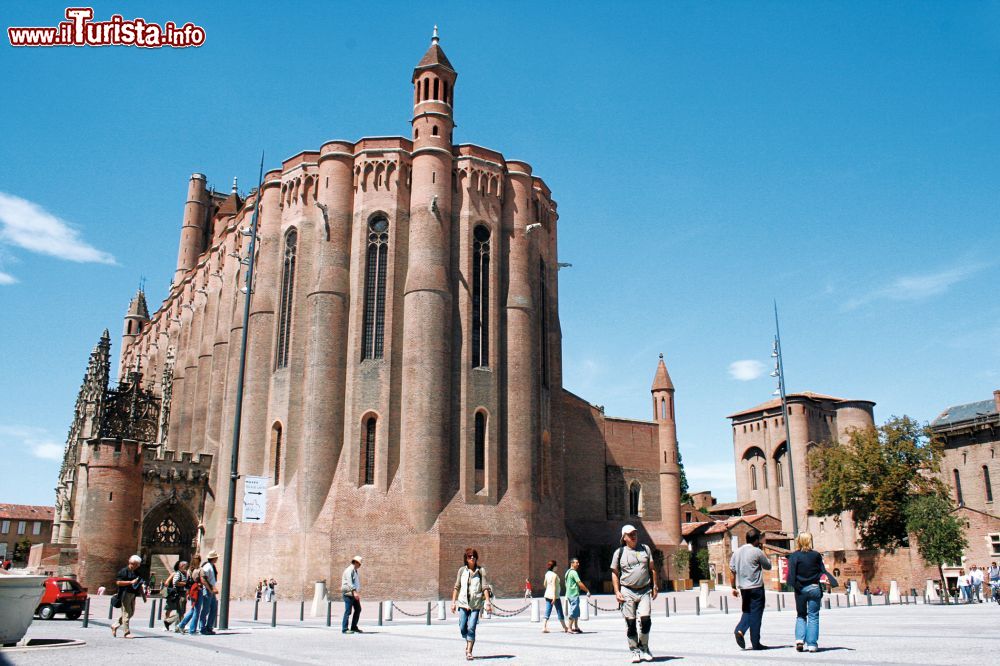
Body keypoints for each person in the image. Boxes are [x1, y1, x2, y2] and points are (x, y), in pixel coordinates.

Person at [611, 524, 658, 663]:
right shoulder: (619, 553)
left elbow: (652, 569)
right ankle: (634, 650)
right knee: (630, 623)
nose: (633, 536)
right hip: (627, 590)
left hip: (644, 590)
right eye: (630, 534)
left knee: (646, 620)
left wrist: (655, 585)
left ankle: (644, 647)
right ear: (624, 537)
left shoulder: (645, 549)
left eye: (635, 533)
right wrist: (617, 591)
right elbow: (614, 573)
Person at [787, 532, 837, 653]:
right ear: (810, 541)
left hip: (801, 589)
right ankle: (812, 645)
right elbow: (822, 570)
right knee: (813, 616)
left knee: (801, 615)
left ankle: (799, 640)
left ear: (798, 541)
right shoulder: (816, 555)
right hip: (814, 588)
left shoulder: (794, 556)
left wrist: (794, 585)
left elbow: (792, 574)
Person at [729, 527, 771, 651]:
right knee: (756, 615)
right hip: (756, 588)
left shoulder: (736, 552)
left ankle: (740, 630)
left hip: (743, 588)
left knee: (747, 611)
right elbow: (768, 566)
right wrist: (764, 551)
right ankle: (756, 643)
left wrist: (733, 587)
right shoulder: (757, 551)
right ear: (756, 540)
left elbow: (732, 570)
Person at [450, 548, 493, 661]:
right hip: (463, 603)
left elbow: (485, 587)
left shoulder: (481, 571)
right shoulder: (461, 571)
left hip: (475, 604)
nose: (472, 558)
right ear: (466, 558)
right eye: (469, 556)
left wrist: (487, 602)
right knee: (462, 627)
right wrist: (453, 602)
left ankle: (469, 651)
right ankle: (468, 639)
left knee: (472, 627)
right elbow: (457, 587)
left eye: (474, 556)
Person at [111, 554, 146, 639]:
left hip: (133, 594)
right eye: (137, 564)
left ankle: (115, 625)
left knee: (131, 613)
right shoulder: (124, 571)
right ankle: (126, 633)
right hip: (125, 594)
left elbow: (139, 584)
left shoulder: (137, 572)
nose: (138, 566)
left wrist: (143, 595)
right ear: (132, 563)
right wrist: (130, 582)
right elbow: (118, 582)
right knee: (126, 613)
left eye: (138, 564)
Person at [542, 559, 568, 633]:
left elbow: (544, 584)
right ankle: (565, 627)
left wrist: (548, 589)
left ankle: (544, 627)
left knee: (548, 610)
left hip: (547, 594)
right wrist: (553, 596)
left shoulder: (547, 574)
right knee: (559, 611)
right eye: (556, 566)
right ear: (554, 567)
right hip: (555, 596)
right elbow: (554, 586)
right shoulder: (554, 575)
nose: (557, 567)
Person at [565, 558, 591, 634]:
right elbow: (579, 583)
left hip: (569, 594)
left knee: (576, 610)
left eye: (578, 562)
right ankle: (569, 628)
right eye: (576, 562)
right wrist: (587, 591)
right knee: (573, 611)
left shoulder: (567, 572)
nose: (578, 564)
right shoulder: (574, 572)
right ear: (572, 563)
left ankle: (576, 627)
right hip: (573, 594)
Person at [164, 560, 189, 632]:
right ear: (181, 566)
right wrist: (185, 584)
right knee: (180, 611)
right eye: (186, 566)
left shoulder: (184, 573)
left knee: (181, 611)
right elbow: (175, 582)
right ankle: (178, 627)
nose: (186, 568)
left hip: (183, 593)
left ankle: (169, 622)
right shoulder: (178, 573)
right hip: (179, 593)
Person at [199, 550, 220, 635]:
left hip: (211, 590)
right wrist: (210, 589)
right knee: (206, 610)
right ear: (213, 558)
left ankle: (209, 627)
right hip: (207, 590)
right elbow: (203, 579)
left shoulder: (211, 566)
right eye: (216, 557)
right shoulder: (207, 567)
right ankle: (203, 628)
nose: (217, 558)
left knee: (214, 609)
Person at [341, 555, 363, 634]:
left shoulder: (354, 570)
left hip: (353, 593)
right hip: (348, 593)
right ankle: (344, 629)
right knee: (348, 611)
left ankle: (354, 627)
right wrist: (354, 592)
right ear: (356, 562)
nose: (360, 565)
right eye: (359, 563)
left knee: (358, 609)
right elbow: (350, 583)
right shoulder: (349, 570)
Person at [178, 568, 203, 635]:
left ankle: (181, 625)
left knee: (193, 610)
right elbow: (190, 582)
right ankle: (192, 630)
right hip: (196, 590)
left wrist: (188, 592)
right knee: (196, 610)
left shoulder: (190, 570)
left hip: (193, 591)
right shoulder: (197, 570)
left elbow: (188, 583)